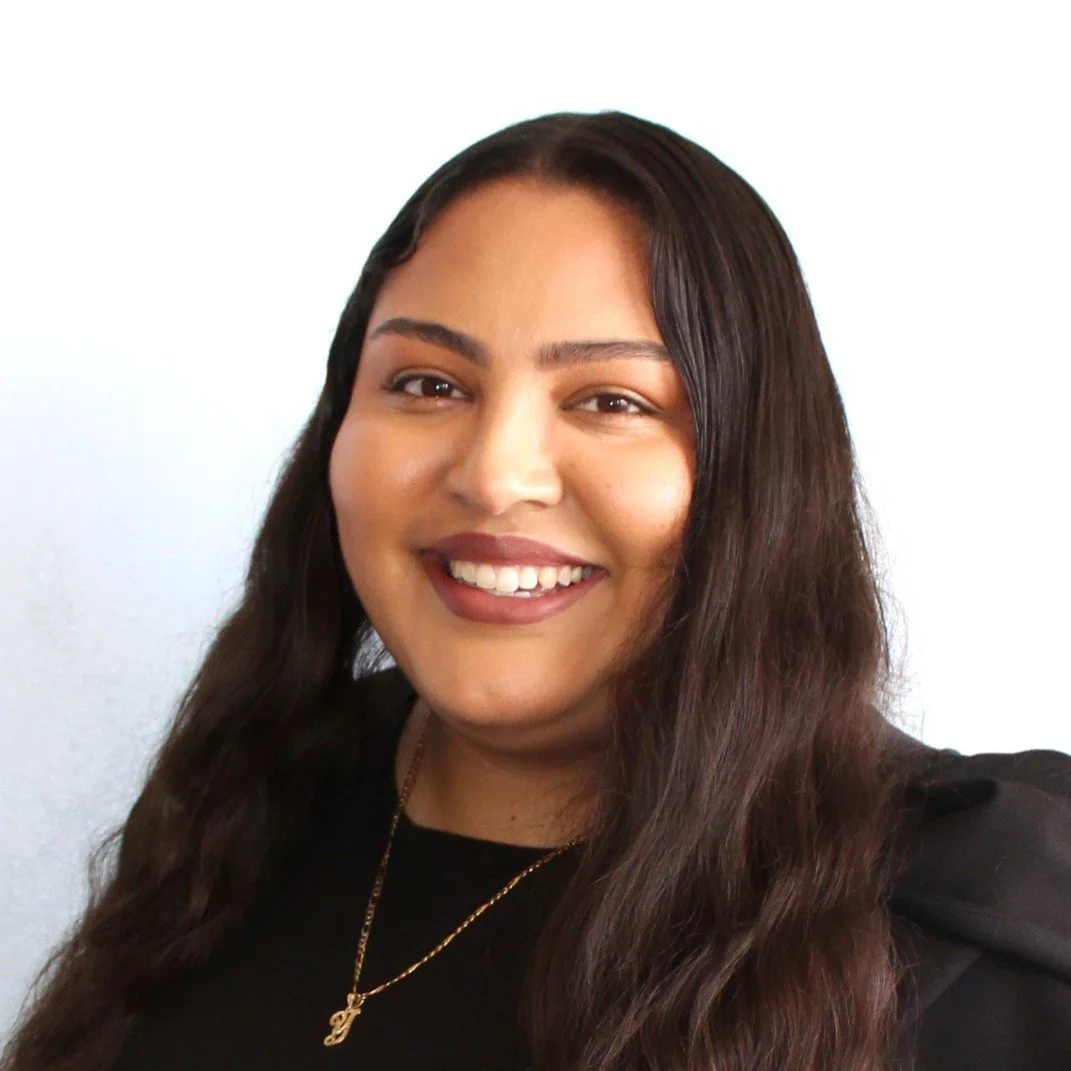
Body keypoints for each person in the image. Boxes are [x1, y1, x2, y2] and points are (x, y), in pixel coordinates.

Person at [3, 111, 1069, 1071]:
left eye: (610, 399)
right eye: (428, 384)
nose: (494, 473)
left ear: (760, 475)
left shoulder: (988, 933)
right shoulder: (250, 803)